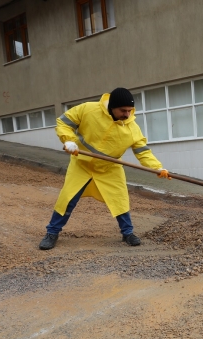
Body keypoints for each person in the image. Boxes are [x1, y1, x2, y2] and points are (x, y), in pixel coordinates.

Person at [39, 87, 170, 250]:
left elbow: (142, 151)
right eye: (123, 110)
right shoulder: (88, 109)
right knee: (67, 198)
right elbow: (63, 122)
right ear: (112, 106)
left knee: (119, 199)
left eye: (130, 111)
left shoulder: (132, 128)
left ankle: (127, 233)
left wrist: (157, 167)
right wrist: (68, 140)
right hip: (82, 164)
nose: (127, 114)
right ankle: (52, 232)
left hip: (110, 167)